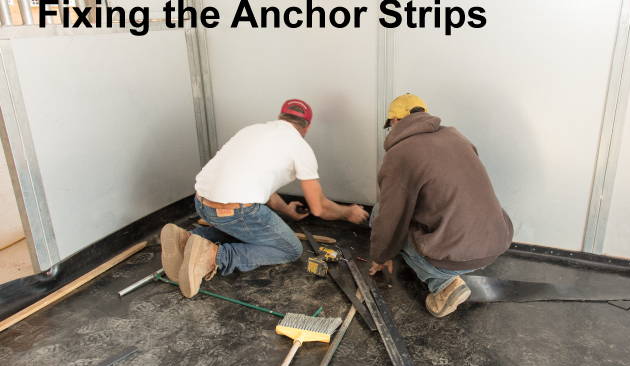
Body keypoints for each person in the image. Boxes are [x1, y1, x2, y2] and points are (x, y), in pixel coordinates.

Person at [160, 99, 369, 298]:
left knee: (248, 229)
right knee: (290, 249)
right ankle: (213, 256)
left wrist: (286, 210)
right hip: (236, 211)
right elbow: (319, 208)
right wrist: (348, 212)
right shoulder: (299, 146)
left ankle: (189, 239)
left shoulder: (251, 130)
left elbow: (255, 186)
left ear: (280, 117)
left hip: (201, 203)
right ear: (307, 127)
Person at [369, 94, 514, 317]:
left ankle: (444, 285)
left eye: (390, 125)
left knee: (379, 213)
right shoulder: (457, 136)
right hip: (496, 242)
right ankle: (456, 264)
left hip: (456, 256)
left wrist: (380, 257)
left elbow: (390, 219)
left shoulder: (400, 154)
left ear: (395, 120)